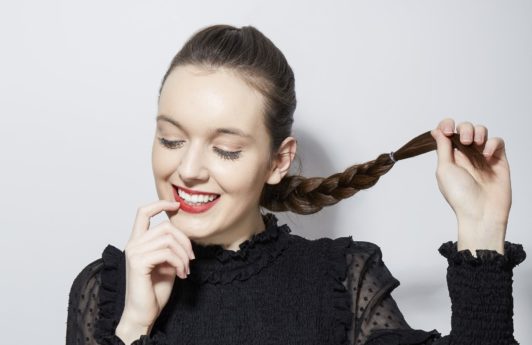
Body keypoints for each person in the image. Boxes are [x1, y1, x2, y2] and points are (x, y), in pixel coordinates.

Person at [65, 24, 526, 345]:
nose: (188, 169)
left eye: (225, 149)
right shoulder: (104, 288)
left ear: (278, 161)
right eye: (171, 138)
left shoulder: (342, 280)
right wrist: (134, 325)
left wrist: (482, 231)